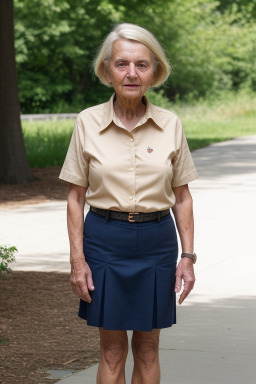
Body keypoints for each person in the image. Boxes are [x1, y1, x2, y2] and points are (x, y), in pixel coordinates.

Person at [59, 23, 198, 384]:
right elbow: (75, 198)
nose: (132, 73)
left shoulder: (171, 124)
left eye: (142, 64)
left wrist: (188, 257)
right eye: (122, 64)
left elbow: (182, 196)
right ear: (107, 71)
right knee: (111, 350)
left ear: (155, 71)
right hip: (104, 242)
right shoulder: (87, 122)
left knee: (149, 350)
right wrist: (78, 261)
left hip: (156, 243)